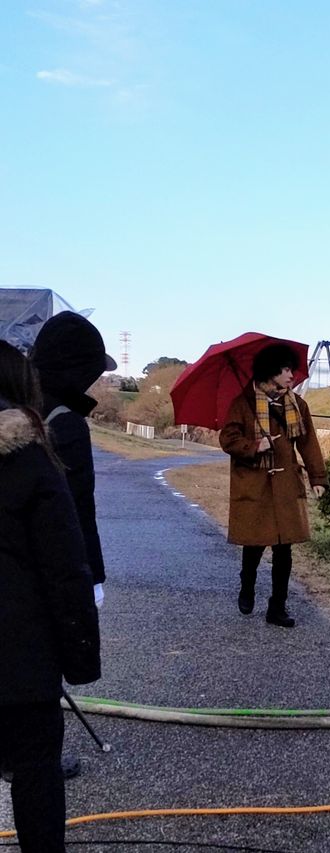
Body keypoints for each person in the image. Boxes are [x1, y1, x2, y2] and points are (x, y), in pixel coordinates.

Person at [0, 340, 101, 853]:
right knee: (36, 771)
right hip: (21, 659)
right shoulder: (33, 461)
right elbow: (65, 570)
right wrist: (80, 658)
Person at [219, 343, 328, 628]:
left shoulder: (296, 404)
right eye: (285, 370)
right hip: (254, 484)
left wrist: (318, 478)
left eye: (291, 369)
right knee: (254, 544)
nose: (291, 375)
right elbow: (227, 439)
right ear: (271, 371)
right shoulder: (243, 403)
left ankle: (277, 607)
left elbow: (308, 443)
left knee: (284, 549)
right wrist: (255, 445)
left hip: (286, 484)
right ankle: (247, 586)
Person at [30, 311, 117, 608]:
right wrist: (92, 577)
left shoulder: (19, 405)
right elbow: (76, 508)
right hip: (57, 572)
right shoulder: (67, 423)